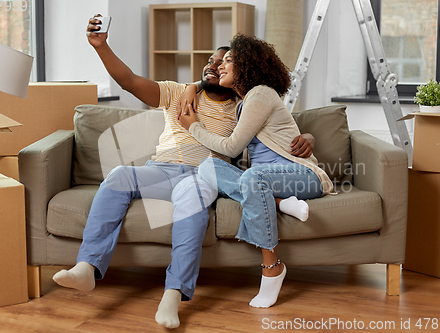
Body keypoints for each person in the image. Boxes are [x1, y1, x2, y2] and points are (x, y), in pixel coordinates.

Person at [52, 16, 315, 329]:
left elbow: (281, 127)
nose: (213, 65)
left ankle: (173, 294)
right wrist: (101, 46)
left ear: (237, 72)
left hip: (201, 176)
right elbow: (129, 82)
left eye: (223, 62)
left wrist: (309, 138)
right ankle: (86, 266)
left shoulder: (243, 105)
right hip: (160, 170)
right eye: (210, 61)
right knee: (119, 175)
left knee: (192, 201)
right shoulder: (178, 93)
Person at [179, 34, 334, 309]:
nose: (220, 66)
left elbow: (231, 145)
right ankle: (279, 203)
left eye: (229, 60)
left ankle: (272, 267)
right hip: (268, 184)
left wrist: (193, 126)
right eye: (220, 62)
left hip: (303, 177)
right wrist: (192, 86)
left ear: (246, 65)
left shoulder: (260, 94)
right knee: (208, 167)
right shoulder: (244, 103)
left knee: (252, 177)